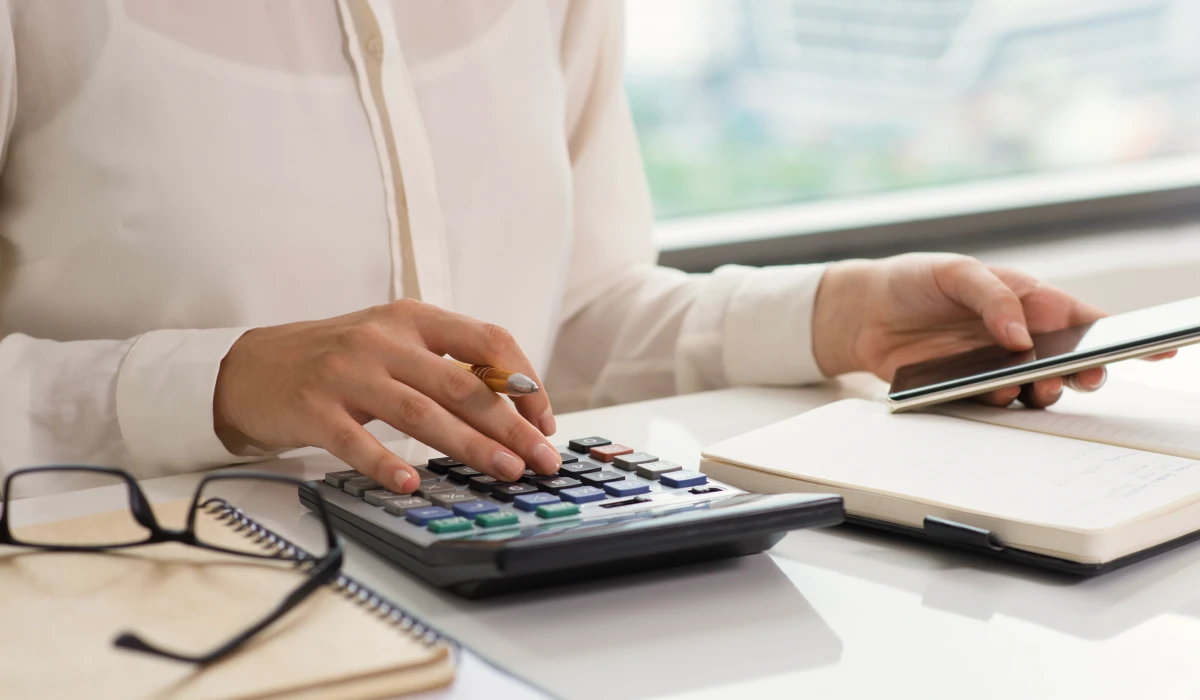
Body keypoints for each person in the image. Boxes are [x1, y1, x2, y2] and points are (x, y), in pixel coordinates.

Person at [0, 1, 1112, 495]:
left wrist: (835, 313)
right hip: (151, 630)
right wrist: (220, 383)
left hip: (516, 634)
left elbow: (556, 331)